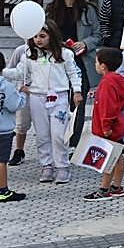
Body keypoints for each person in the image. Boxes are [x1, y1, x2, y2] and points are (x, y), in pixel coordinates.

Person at [17, 20, 83, 184]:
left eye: (42, 36)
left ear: (51, 36)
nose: (38, 40)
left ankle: (62, 166)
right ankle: (47, 165)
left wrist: (77, 91)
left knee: (58, 134)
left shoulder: (65, 54)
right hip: (37, 97)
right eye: (35, 37)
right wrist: (22, 84)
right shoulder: (29, 54)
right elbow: (21, 73)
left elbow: (74, 73)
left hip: (59, 97)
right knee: (42, 134)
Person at [46, 0, 101, 148]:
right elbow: (42, 34)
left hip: (81, 61)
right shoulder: (51, 10)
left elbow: (98, 34)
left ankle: (73, 143)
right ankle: (56, 139)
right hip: (57, 61)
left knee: (78, 103)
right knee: (56, 102)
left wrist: (85, 43)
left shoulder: (88, 9)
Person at [82, 48, 124, 201]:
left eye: (96, 62)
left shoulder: (107, 83)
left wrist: (106, 127)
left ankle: (104, 189)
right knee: (118, 157)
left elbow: (107, 107)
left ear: (103, 66)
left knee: (108, 159)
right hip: (117, 125)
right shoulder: (116, 80)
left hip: (109, 128)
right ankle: (116, 186)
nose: (95, 64)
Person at [0, 56, 27, 203]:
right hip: (3, 131)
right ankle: (3, 190)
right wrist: (22, 93)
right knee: (1, 161)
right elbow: (15, 105)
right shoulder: (5, 86)